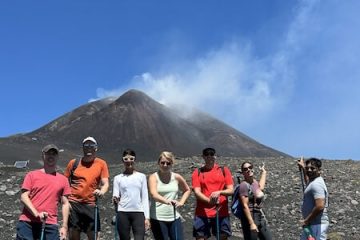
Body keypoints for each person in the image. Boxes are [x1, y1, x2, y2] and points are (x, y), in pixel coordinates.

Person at [16, 144, 71, 240]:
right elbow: (24, 197)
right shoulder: (32, 175)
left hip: (50, 224)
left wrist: (64, 226)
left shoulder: (63, 180)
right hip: (28, 223)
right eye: (48, 153)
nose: (51, 156)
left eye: (54, 154)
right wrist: (37, 214)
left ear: (57, 157)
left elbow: (65, 203)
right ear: (43, 155)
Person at [64, 136, 109, 240]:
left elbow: (105, 183)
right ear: (83, 148)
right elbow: (64, 182)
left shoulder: (101, 164)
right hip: (74, 203)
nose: (89, 148)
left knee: (93, 235)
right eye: (86, 145)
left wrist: (102, 191)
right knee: (74, 235)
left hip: (91, 204)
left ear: (96, 148)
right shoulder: (73, 163)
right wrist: (66, 201)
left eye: (91, 145)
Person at [191, 147, 234, 240]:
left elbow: (231, 190)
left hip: (221, 211)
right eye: (207, 154)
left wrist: (219, 192)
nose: (209, 156)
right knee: (200, 237)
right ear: (203, 157)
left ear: (215, 156)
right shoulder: (197, 172)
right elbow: (197, 192)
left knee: (222, 237)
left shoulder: (223, 170)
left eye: (211, 154)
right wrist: (209, 201)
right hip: (202, 212)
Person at [148, 151, 191, 240]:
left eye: (168, 163)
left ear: (172, 164)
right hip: (158, 217)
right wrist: (167, 201)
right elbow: (153, 194)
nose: (165, 165)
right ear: (158, 163)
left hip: (174, 216)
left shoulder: (176, 177)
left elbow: (187, 190)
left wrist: (181, 202)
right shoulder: (153, 177)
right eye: (162, 163)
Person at [112, 149, 150, 240]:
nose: (129, 161)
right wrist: (115, 199)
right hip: (123, 212)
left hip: (138, 212)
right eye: (126, 159)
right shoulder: (117, 178)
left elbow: (145, 197)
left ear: (135, 159)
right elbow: (115, 194)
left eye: (131, 159)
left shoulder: (142, 177)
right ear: (123, 160)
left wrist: (147, 217)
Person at [238, 161, 272, 240]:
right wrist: (251, 223)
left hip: (259, 216)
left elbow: (261, 188)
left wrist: (264, 172)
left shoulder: (254, 182)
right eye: (245, 169)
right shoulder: (243, 185)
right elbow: (244, 205)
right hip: (250, 217)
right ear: (243, 172)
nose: (248, 170)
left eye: (250, 167)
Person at [297, 157, 329, 240]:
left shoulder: (317, 184)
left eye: (312, 168)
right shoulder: (313, 181)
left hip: (317, 225)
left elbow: (320, 206)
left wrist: (306, 220)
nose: (309, 170)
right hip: (312, 224)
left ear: (319, 170)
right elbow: (307, 181)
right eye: (308, 168)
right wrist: (303, 167)